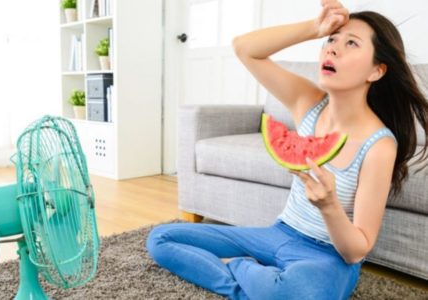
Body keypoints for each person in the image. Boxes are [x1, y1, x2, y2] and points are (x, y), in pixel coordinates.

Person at [147, 1, 428, 299]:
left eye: (351, 43)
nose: (332, 48)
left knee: (306, 293)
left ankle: (240, 270)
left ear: (377, 70)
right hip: (278, 234)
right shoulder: (307, 101)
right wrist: (314, 28)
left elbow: (356, 250)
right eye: (331, 40)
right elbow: (245, 47)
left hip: (327, 257)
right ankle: (253, 282)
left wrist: (330, 206)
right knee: (161, 238)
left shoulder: (379, 145)